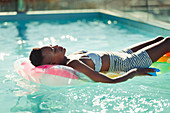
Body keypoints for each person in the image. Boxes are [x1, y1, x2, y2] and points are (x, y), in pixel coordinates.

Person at [29, 36, 170, 83]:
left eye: (52, 46)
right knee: (168, 42)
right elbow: (109, 81)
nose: (56, 46)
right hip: (131, 62)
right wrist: (134, 72)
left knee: (159, 39)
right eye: (53, 50)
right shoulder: (74, 64)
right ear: (53, 63)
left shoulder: (71, 56)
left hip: (122, 53)